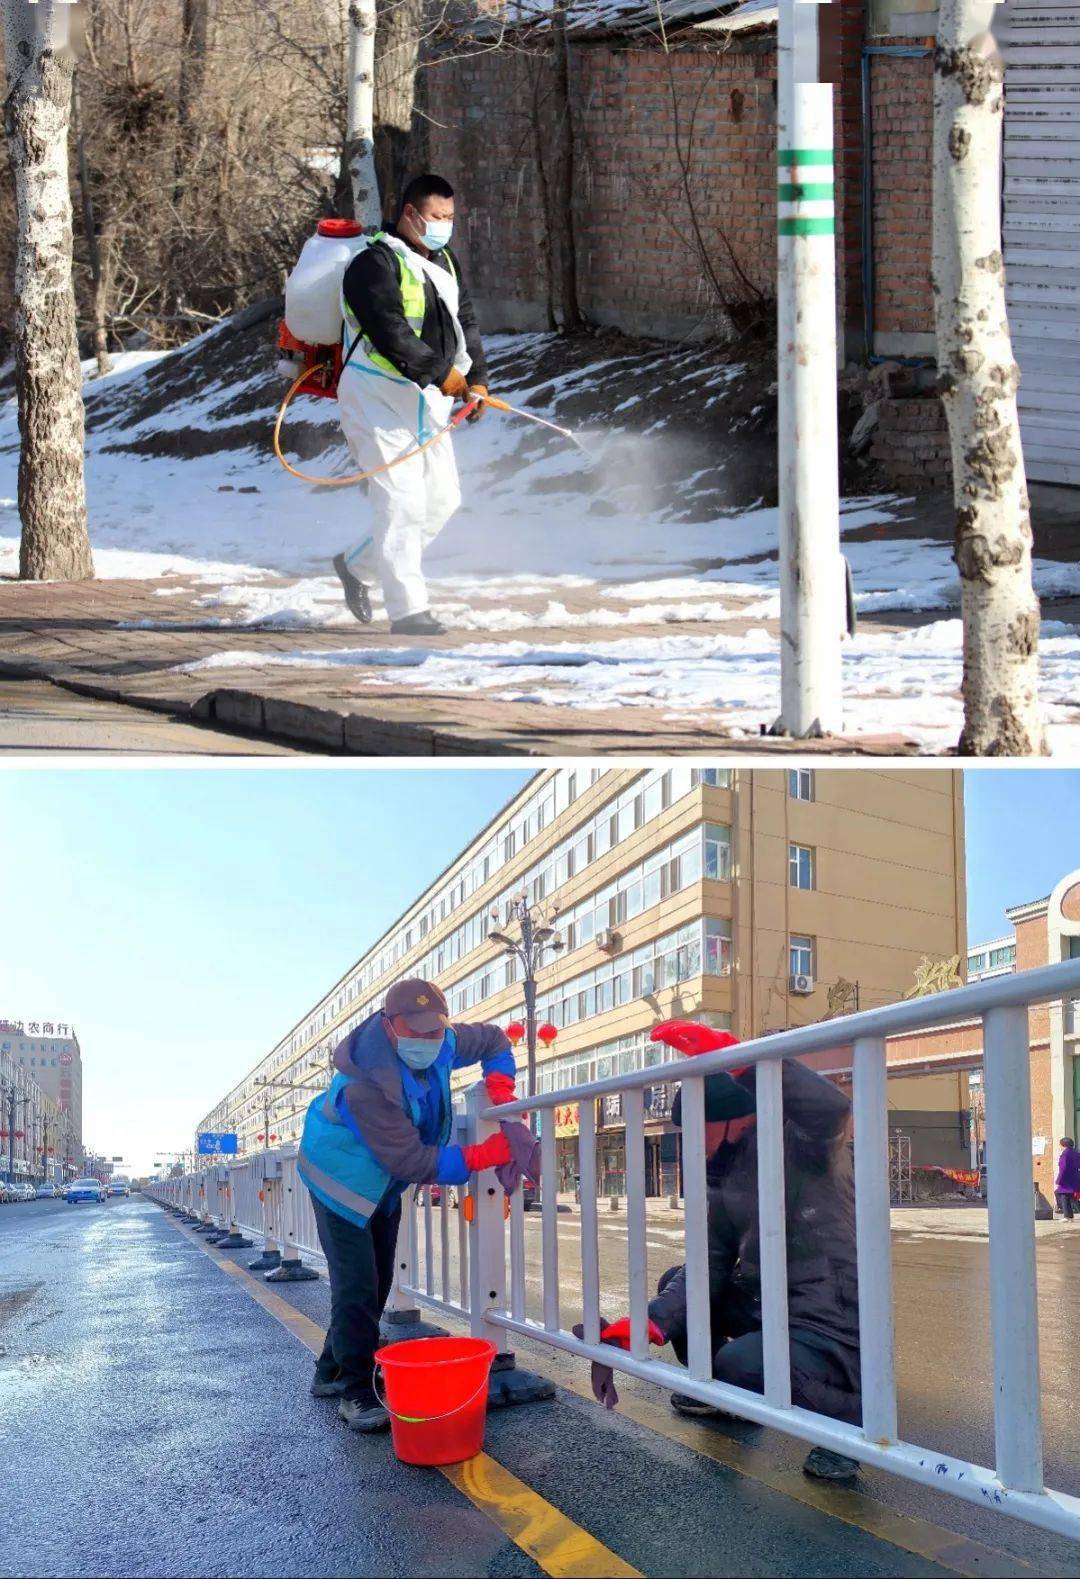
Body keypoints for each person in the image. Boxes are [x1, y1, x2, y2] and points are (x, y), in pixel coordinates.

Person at [599, 1022, 862, 1483]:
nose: (689, 1143)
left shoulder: (799, 1143)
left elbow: (832, 1108)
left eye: (696, 1127)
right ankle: (736, 1400)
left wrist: (744, 1064)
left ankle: (854, 1421)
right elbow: (709, 1263)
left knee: (736, 1364)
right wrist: (653, 1321)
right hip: (771, 1301)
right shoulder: (721, 1169)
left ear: (730, 1116)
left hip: (830, 1312)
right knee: (675, 1284)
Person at [297, 975, 520, 1431]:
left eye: (435, 1030)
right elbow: (411, 1158)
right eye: (414, 1029)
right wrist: (479, 1156)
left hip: (383, 1182)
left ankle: (329, 1371)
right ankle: (355, 1390)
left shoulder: (444, 1042)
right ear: (388, 1024)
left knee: (372, 1285)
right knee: (359, 1285)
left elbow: (496, 1038)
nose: (426, 1040)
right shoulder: (364, 1084)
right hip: (340, 1180)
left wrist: (500, 1082)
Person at [331, 173, 489, 637]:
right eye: (437, 217)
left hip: (426, 400)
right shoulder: (372, 263)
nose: (445, 226)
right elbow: (388, 328)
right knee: (401, 502)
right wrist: (441, 374)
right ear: (410, 214)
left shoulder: (445, 261)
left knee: (441, 501)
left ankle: (356, 567)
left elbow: (465, 322)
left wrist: (476, 378)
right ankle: (409, 612)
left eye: (450, 218)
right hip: (375, 395)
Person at [1055, 1136, 1080, 1220]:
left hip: (1066, 1179)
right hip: (1075, 1177)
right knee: (1072, 1196)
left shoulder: (1065, 1154)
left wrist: (1059, 1179)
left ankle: (1067, 1216)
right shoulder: (1076, 1152)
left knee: (1064, 1196)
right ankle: (1069, 1216)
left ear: (1063, 1145)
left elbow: (1063, 1167)